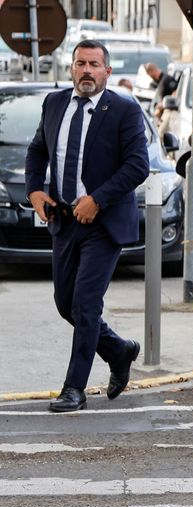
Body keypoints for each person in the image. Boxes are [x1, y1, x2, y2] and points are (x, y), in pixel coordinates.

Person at [25, 40, 149, 412]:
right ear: (72, 68)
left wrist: (97, 199)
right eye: (80, 63)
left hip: (103, 223)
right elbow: (38, 150)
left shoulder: (124, 109)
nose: (87, 70)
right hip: (63, 221)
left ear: (107, 71)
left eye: (94, 64)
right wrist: (34, 190)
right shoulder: (54, 103)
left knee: (85, 303)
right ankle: (119, 350)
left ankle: (74, 388)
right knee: (66, 304)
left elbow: (138, 165)